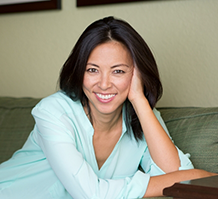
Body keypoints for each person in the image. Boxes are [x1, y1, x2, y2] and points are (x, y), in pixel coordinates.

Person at [0, 16, 216, 199]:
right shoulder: (53, 112)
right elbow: (91, 194)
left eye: (118, 71)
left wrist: (139, 100)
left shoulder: (143, 117)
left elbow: (182, 176)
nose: (104, 84)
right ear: (78, 71)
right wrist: (159, 183)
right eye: (92, 70)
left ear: (137, 73)